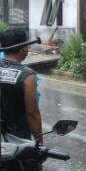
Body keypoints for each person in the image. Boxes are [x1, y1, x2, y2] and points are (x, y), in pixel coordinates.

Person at [0, 30, 44, 163]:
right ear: (23, 48)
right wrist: (39, 143)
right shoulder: (27, 75)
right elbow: (32, 113)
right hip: (18, 142)